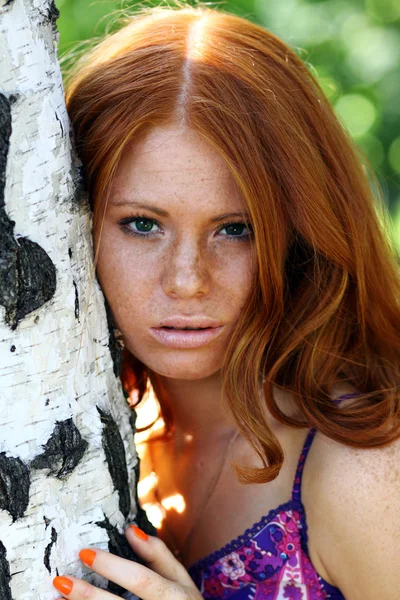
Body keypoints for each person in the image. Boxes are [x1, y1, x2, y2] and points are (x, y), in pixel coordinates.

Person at [53, 2, 400, 599]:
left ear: (300, 235)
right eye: (142, 224)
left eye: (236, 229)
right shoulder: (97, 426)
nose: (187, 280)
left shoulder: (363, 468)